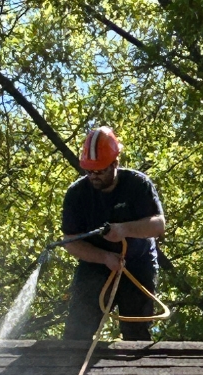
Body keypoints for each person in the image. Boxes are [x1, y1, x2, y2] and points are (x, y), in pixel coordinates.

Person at [61, 127, 165, 341]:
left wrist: (124, 230)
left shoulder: (138, 184)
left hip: (138, 264)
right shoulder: (77, 194)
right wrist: (104, 258)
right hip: (95, 265)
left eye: (100, 171)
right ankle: (67, 371)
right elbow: (70, 242)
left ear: (115, 164)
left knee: (136, 332)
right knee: (76, 330)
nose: (94, 177)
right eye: (89, 171)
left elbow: (158, 225)